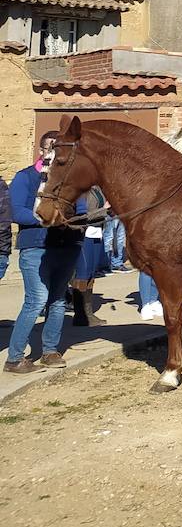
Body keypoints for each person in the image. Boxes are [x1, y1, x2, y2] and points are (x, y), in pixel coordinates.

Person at [6, 133, 83, 374]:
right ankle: (14, 357)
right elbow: (16, 212)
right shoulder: (25, 177)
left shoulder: (69, 180)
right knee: (36, 301)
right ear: (40, 151)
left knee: (58, 300)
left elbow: (79, 208)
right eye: (50, 148)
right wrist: (46, 219)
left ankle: (50, 350)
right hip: (36, 247)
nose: (53, 153)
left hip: (67, 245)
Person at [69, 186, 109, 327]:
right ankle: (80, 315)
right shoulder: (80, 190)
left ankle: (89, 313)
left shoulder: (98, 188)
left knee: (92, 272)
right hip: (83, 233)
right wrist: (104, 209)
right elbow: (81, 216)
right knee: (83, 273)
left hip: (96, 232)